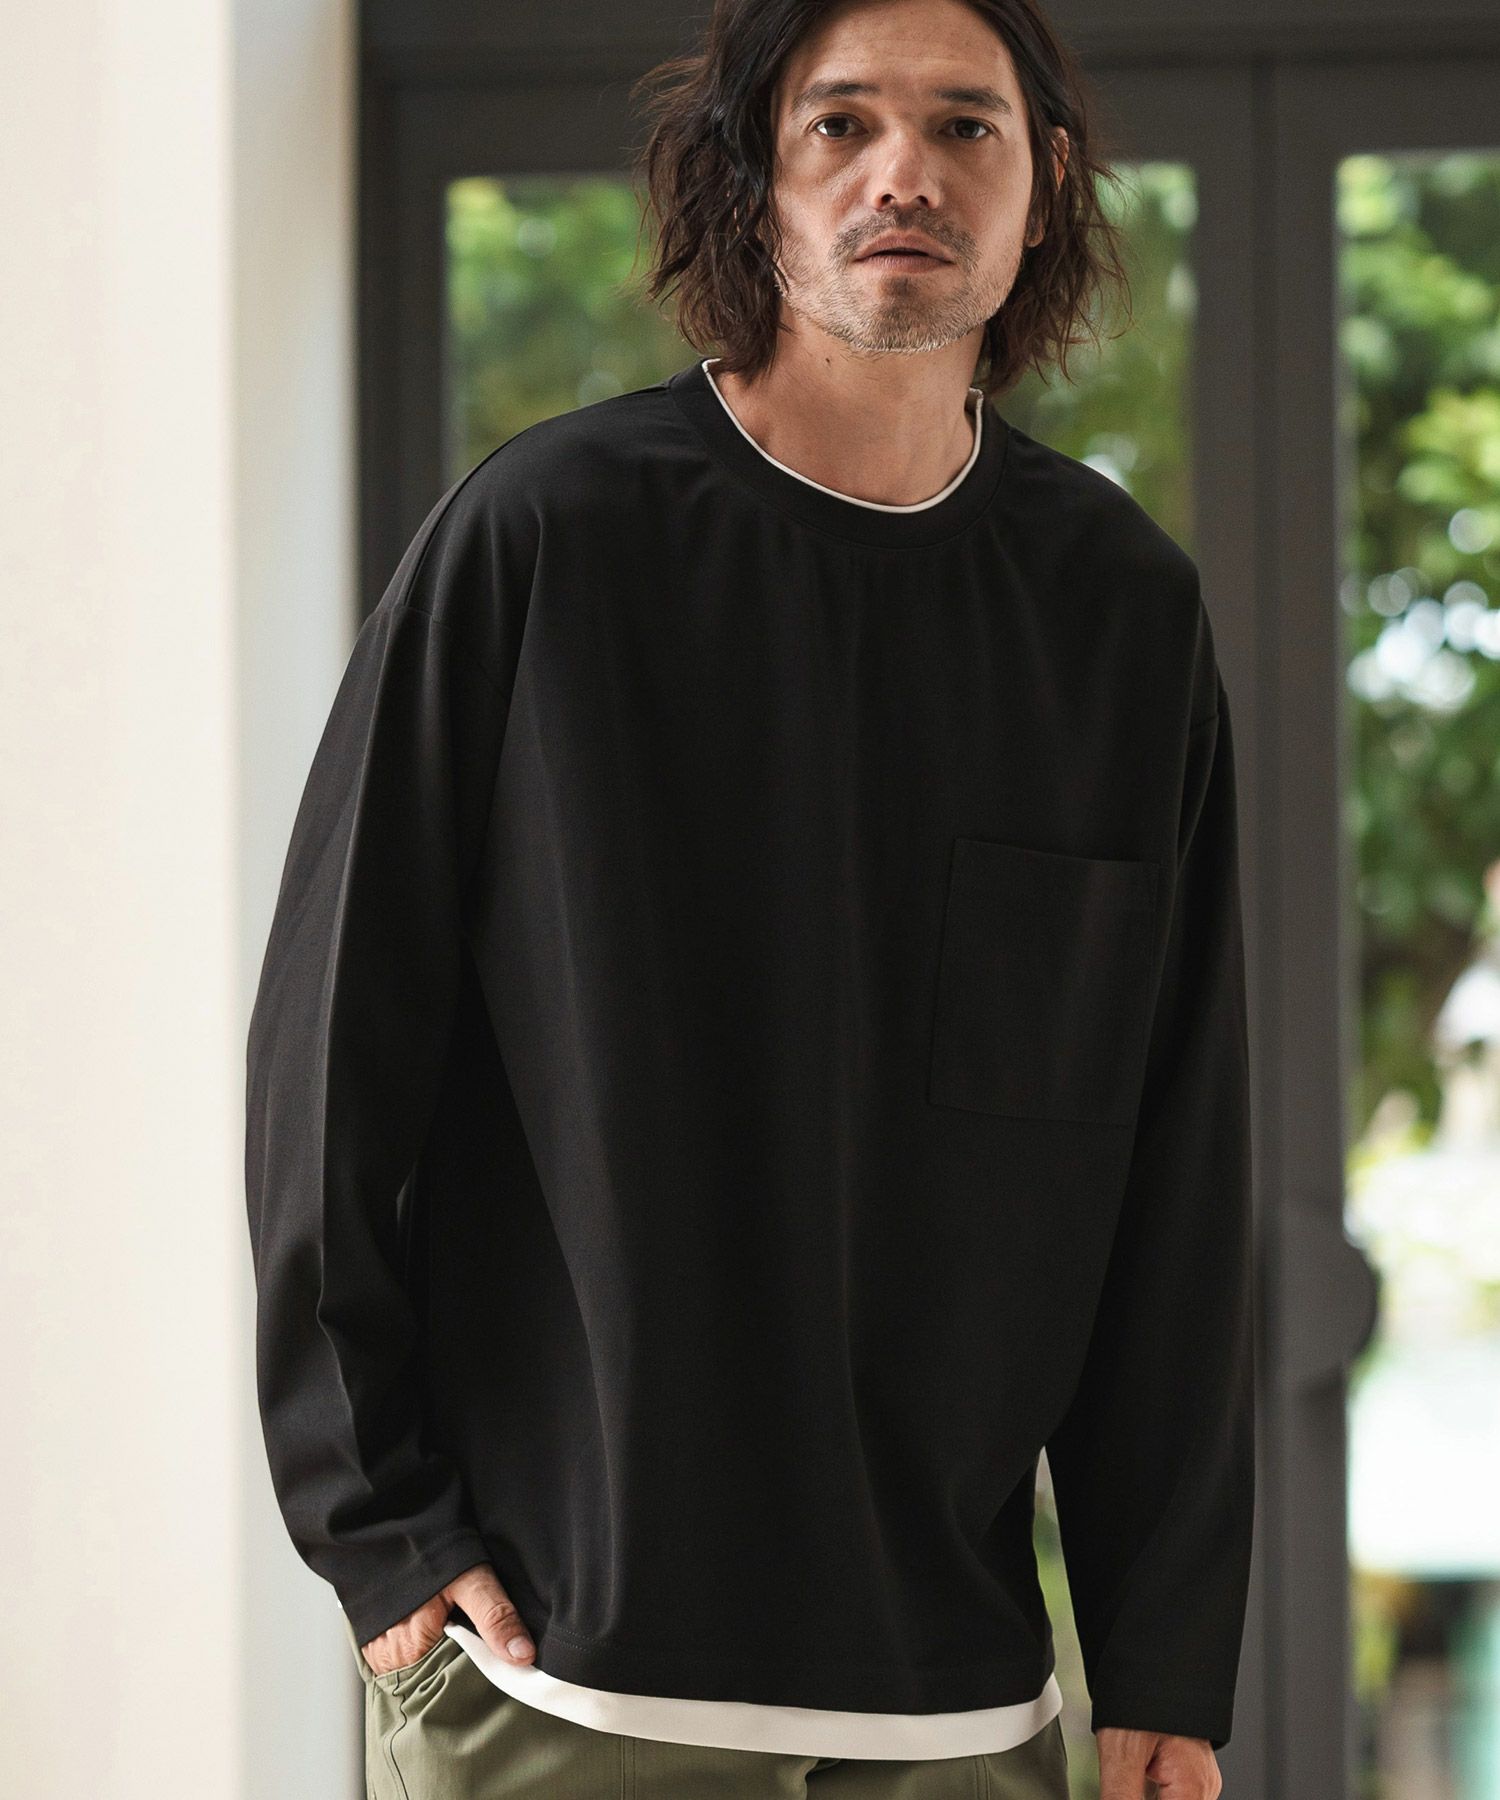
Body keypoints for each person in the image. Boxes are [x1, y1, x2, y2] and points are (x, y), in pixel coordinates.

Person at [243, 0, 1256, 1793]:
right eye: (840, 124)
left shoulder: (1121, 616)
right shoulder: (543, 538)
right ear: (751, 179)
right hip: (567, 1687)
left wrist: (1166, 1653)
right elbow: (332, 1061)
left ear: (1044, 186)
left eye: (965, 127)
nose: (904, 173)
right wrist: (376, 1528)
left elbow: (1175, 1170)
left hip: (969, 1715)